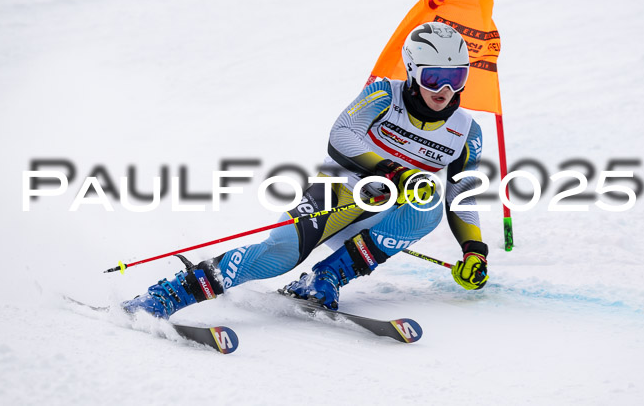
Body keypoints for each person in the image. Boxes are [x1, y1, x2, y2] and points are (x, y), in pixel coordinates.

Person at [122, 22, 489, 318]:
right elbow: (341, 135)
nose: (444, 89)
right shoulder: (383, 95)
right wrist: (393, 171)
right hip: (338, 194)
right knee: (280, 254)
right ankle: (172, 294)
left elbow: (463, 194)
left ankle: (326, 277)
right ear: (412, 71)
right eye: (433, 77)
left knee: (429, 202)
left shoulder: (467, 132)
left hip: (380, 222)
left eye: (456, 78)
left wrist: (475, 250)